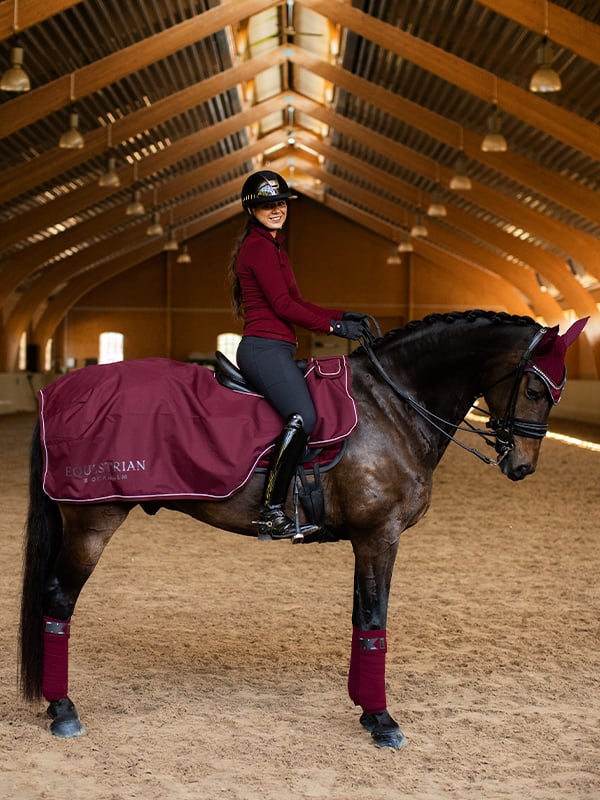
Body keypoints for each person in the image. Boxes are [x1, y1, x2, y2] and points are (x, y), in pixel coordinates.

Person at [228, 169, 369, 540]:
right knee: (302, 415)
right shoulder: (258, 248)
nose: (276, 210)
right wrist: (335, 330)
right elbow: (281, 305)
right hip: (262, 347)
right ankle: (270, 509)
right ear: (251, 210)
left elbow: (297, 301)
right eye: (267, 205)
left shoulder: (275, 247)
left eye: (279, 203)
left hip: (277, 347)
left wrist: (341, 315)